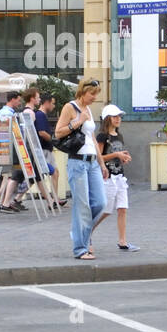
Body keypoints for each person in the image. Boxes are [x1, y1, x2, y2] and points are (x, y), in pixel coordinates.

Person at [54, 78, 106, 260]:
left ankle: (80, 235)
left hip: (92, 162)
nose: (94, 97)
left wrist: (101, 163)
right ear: (82, 92)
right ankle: (80, 248)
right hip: (77, 161)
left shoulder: (89, 109)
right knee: (82, 206)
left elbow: (91, 137)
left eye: (96, 94)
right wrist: (78, 122)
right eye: (92, 93)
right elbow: (58, 132)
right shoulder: (70, 107)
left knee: (100, 203)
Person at [91, 104, 138, 251]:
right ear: (107, 119)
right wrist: (116, 155)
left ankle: (122, 241)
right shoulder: (102, 136)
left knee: (122, 208)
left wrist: (123, 157)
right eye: (114, 116)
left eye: (119, 116)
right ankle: (86, 231)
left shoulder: (119, 135)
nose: (118, 119)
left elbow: (118, 152)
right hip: (108, 177)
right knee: (106, 210)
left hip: (120, 176)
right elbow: (99, 157)